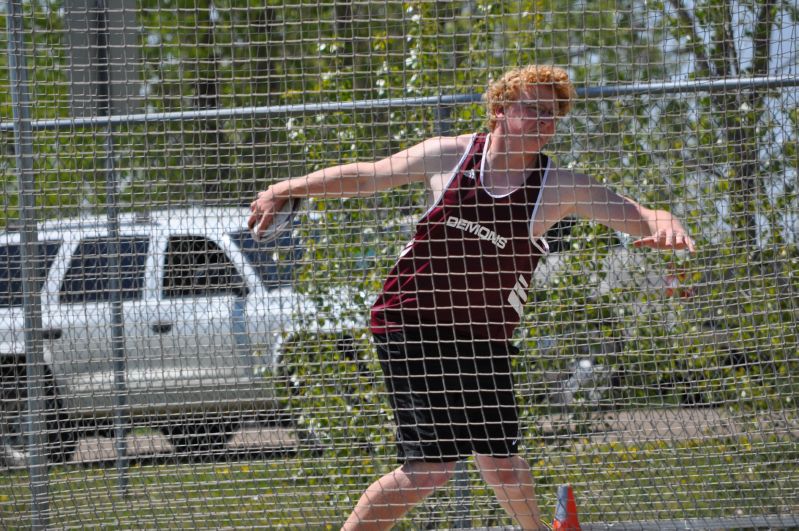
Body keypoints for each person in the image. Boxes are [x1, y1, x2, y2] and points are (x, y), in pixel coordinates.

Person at [248, 65, 695, 530]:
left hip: (483, 338)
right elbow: (366, 177)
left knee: (503, 464)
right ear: (499, 111)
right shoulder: (451, 157)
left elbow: (637, 212)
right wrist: (285, 188)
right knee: (431, 470)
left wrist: (664, 220)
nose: (544, 122)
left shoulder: (556, 187)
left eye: (553, 115)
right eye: (533, 109)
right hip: (412, 321)